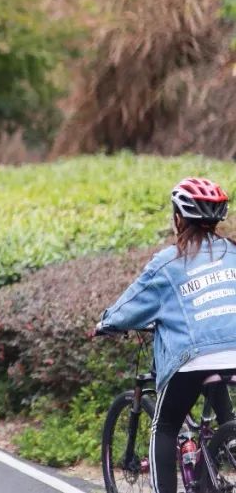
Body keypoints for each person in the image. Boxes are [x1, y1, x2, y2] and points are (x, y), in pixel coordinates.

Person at [98, 178, 236, 493]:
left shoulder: (169, 261)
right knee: (219, 380)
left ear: (178, 217)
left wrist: (106, 323)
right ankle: (227, 446)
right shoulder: (233, 252)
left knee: (165, 427)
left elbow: (132, 305)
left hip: (193, 357)